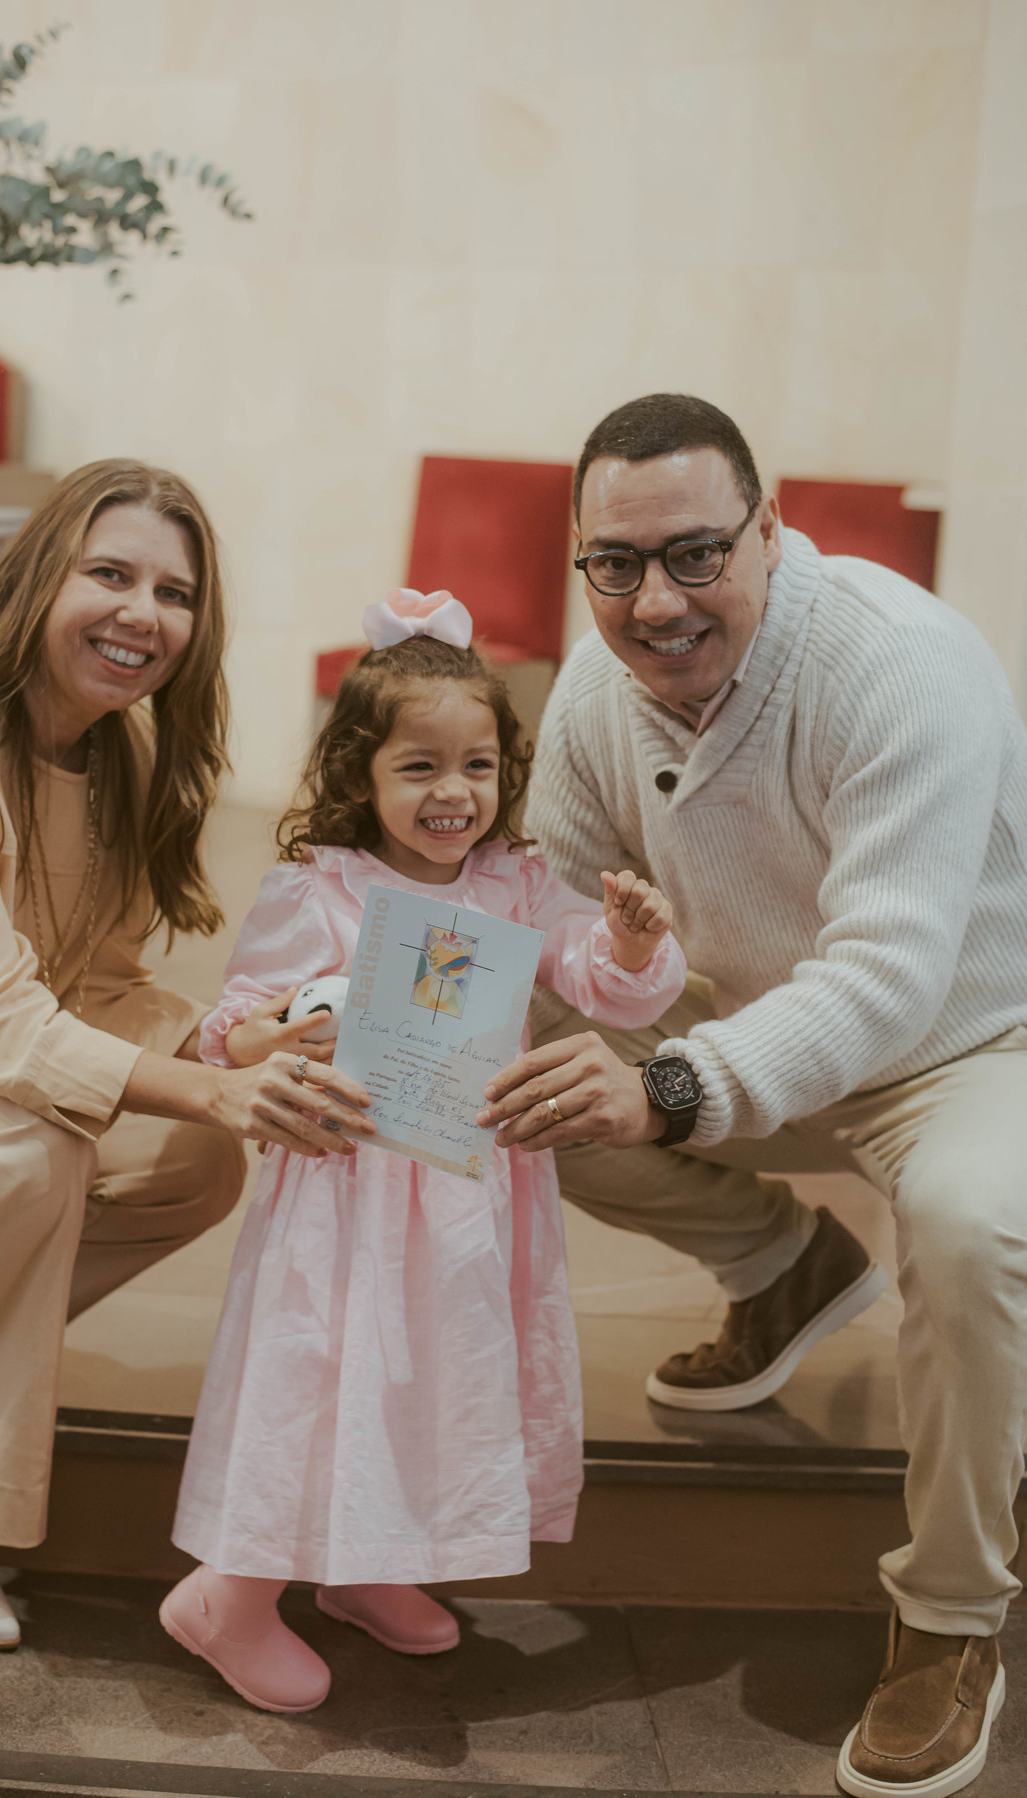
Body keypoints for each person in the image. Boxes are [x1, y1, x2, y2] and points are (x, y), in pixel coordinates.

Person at [476, 393, 1027, 1796]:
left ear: (772, 531)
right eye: (616, 564)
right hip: (751, 1020)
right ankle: (785, 1268)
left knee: (968, 1228)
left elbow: (890, 974)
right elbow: (538, 917)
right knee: (507, 1083)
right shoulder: (595, 692)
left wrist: (669, 1083)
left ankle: (952, 1613)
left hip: (969, 1043)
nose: (656, 602)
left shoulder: (901, 661)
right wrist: (360, 1027)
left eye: (697, 553)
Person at [0, 460, 374, 1654]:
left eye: (175, 593)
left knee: (192, 1163)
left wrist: (240, 1040)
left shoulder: (115, 755)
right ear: (37, 578)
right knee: (19, 1144)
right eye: (111, 574)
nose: (144, 613)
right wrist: (218, 1085)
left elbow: (98, 983)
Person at [160, 590, 686, 1713]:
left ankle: (369, 1562)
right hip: (348, 1185)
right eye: (419, 767)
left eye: (478, 766)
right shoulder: (322, 888)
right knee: (326, 1371)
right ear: (360, 775)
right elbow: (232, 1024)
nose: (455, 792)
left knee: (433, 1372)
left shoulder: (515, 884)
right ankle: (228, 1596)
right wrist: (287, 1026)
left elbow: (594, 976)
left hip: (466, 1185)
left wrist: (631, 942)